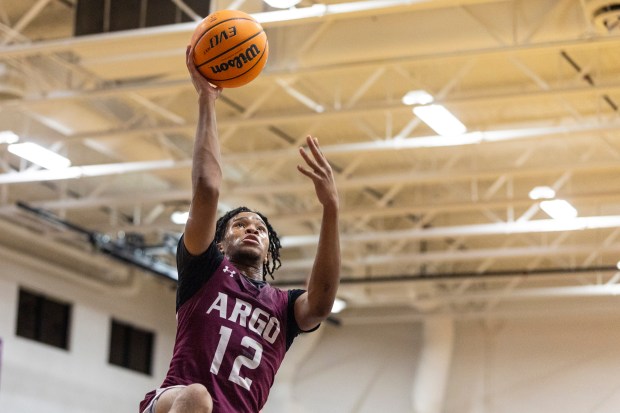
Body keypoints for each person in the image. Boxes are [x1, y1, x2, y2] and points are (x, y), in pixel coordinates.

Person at [139, 44, 341, 413]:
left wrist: (331, 208)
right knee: (197, 396)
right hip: (176, 403)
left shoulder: (285, 307)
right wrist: (206, 100)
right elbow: (208, 189)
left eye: (260, 228)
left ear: (269, 247)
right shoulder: (206, 269)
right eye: (239, 224)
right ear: (219, 240)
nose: (251, 229)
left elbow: (323, 300)